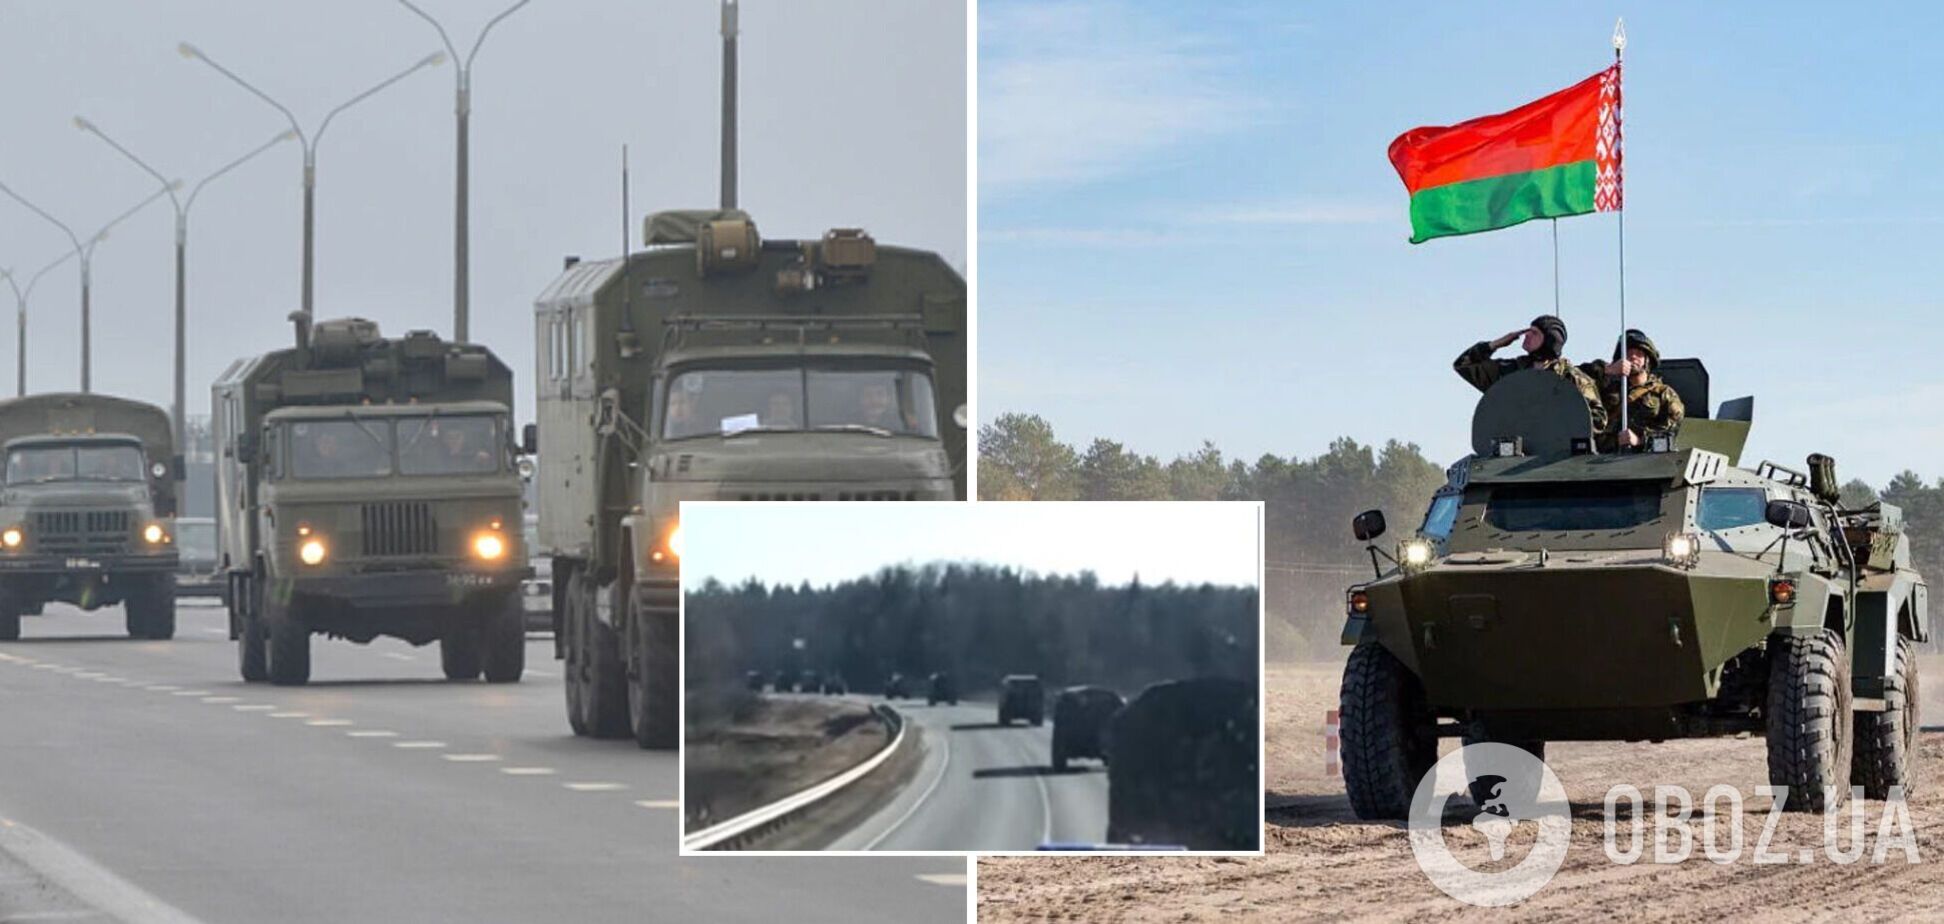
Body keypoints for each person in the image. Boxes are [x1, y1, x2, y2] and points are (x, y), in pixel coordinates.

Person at [1454, 314, 1607, 436]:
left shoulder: (1572, 378)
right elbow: (1464, 365)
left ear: (1549, 340)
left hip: (1558, 456)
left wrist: (1555, 421)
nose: (1526, 335)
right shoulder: (1512, 371)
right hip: (1515, 453)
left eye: (1534, 333)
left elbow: (1597, 419)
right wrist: (1494, 345)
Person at [1581, 329, 1684, 451]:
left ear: (1647, 360)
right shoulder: (1606, 386)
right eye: (1628, 353)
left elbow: (1671, 434)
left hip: (1644, 460)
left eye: (1639, 353)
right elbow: (1573, 378)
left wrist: (1639, 440)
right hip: (1602, 458)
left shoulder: (1664, 394)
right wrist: (1607, 370)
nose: (1633, 357)